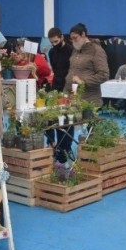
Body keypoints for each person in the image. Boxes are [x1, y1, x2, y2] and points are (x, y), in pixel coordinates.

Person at [64, 23, 110, 107]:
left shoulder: (97, 51)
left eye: (75, 38)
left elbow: (104, 75)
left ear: (83, 34)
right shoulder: (76, 50)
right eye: (71, 39)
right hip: (73, 99)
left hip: (89, 101)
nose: (73, 41)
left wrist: (83, 81)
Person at [47, 27, 74, 162]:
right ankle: (56, 146)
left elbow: (73, 70)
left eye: (56, 41)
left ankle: (66, 147)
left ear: (62, 37)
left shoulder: (71, 50)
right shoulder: (52, 52)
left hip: (68, 88)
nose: (54, 44)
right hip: (55, 88)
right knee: (55, 118)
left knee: (68, 120)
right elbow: (55, 70)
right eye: (52, 42)